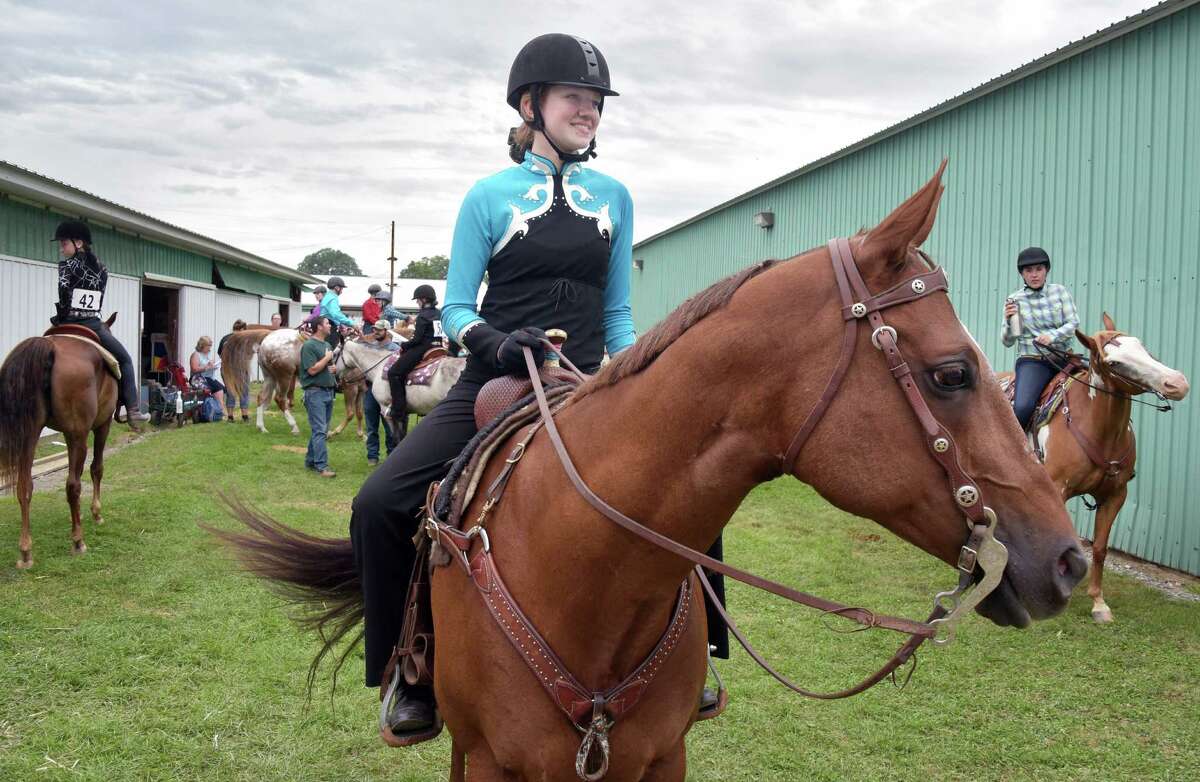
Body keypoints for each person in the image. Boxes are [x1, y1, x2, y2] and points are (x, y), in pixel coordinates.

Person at [350, 33, 648, 740]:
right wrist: (494, 341)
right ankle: (408, 673)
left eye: (597, 100)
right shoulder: (487, 197)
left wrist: (640, 376)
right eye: (575, 96)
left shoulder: (616, 198)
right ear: (530, 104)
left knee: (692, 479)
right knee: (378, 504)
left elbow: (616, 312)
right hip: (495, 380)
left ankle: (702, 658)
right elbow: (456, 306)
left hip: (585, 384)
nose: (589, 109)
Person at [49, 220, 147, 428]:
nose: (61, 248)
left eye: (64, 243)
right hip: (92, 324)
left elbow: (64, 298)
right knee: (125, 360)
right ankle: (133, 410)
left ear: (78, 242)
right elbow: (98, 298)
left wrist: (63, 318)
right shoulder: (102, 268)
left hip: (66, 323)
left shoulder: (66, 267)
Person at [1002, 246, 1080, 432]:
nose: (1034, 275)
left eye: (1039, 269)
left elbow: (1073, 323)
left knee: (1097, 388)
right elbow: (1007, 342)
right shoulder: (1014, 300)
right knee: (1022, 407)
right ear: (1022, 274)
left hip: (1064, 359)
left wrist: (1052, 336)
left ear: (1046, 270)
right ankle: (1014, 451)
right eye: (1028, 270)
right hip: (1033, 362)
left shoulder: (1059, 292)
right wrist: (1008, 322)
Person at [385, 284, 443, 427]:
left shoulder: (422, 316)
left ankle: (398, 410)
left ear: (423, 299)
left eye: (417, 300)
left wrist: (404, 345)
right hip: (439, 346)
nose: (417, 302)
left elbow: (417, 340)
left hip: (424, 348)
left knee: (394, 373)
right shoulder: (439, 313)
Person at [299, 316, 338, 478]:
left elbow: (326, 367)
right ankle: (322, 467)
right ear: (319, 327)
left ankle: (310, 461)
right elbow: (312, 370)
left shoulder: (327, 345)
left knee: (320, 430)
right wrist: (327, 359)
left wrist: (333, 367)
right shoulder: (308, 346)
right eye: (328, 323)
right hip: (315, 393)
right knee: (320, 430)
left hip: (328, 392)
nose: (330, 326)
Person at [363, 320, 401, 466]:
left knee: (389, 425)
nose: (375, 332)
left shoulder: (395, 349)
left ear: (386, 330)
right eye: (374, 329)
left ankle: (391, 455)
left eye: (379, 330)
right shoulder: (370, 348)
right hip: (371, 392)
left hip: (387, 393)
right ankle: (372, 456)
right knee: (371, 426)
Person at [217, 319, 250, 422]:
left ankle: (230, 417)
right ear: (241, 329)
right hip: (239, 369)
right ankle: (244, 416)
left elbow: (220, 353)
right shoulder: (243, 340)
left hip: (227, 369)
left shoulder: (225, 338)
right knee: (243, 391)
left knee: (231, 392)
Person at [189, 337, 227, 411]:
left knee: (221, 388)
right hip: (197, 378)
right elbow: (194, 369)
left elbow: (208, 365)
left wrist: (213, 366)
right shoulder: (196, 355)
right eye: (208, 346)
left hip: (208, 377)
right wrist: (206, 367)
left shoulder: (207, 354)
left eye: (210, 346)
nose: (209, 348)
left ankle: (219, 410)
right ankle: (211, 409)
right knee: (212, 389)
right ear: (202, 345)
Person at [320, 276, 358, 349]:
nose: (341, 291)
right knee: (331, 351)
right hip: (330, 327)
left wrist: (340, 324)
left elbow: (331, 314)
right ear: (337, 288)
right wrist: (352, 324)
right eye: (341, 288)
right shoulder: (333, 298)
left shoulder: (327, 296)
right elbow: (336, 314)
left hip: (325, 324)